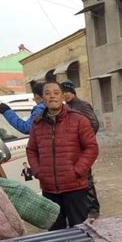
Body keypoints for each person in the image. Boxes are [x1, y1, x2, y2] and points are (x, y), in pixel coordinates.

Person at [26, 81, 98, 230]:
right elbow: (31, 150)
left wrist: (77, 170)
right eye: (47, 93)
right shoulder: (37, 124)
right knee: (55, 232)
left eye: (56, 92)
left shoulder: (78, 120)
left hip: (75, 188)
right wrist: (39, 171)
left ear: (62, 96)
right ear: (42, 98)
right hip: (49, 189)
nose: (52, 96)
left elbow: (91, 148)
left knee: (80, 230)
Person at [61, 80, 101, 218]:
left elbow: (94, 123)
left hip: (83, 149)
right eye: (63, 93)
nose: (65, 95)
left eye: (67, 92)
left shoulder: (82, 105)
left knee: (87, 178)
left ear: (72, 92)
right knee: (79, 179)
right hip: (72, 150)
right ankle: (84, 207)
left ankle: (93, 208)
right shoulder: (66, 107)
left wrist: (84, 140)